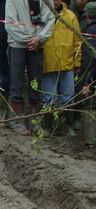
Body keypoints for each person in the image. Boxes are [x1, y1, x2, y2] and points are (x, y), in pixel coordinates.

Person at [5, 0, 55, 134]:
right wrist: (29, 39)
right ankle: (18, 120)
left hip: (38, 45)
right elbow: (10, 23)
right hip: (17, 45)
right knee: (17, 82)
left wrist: (39, 38)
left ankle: (35, 122)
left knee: (36, 83)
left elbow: (50, 19)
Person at [40, 0, 81, 135]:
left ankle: (68, 126)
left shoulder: (70, 16)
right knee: (49, 98)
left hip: (67, 63)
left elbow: (77, 41)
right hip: (48, 63)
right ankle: (47, 126)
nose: (56, 1)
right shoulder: (42, 15)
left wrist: (77, 62)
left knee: (68, 97)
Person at [80, 2, 96, 144]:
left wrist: (87, 82)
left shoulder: (91, 31)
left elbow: (90, 59)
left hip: (93, 76)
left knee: (91, 106)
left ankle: (90, 141)